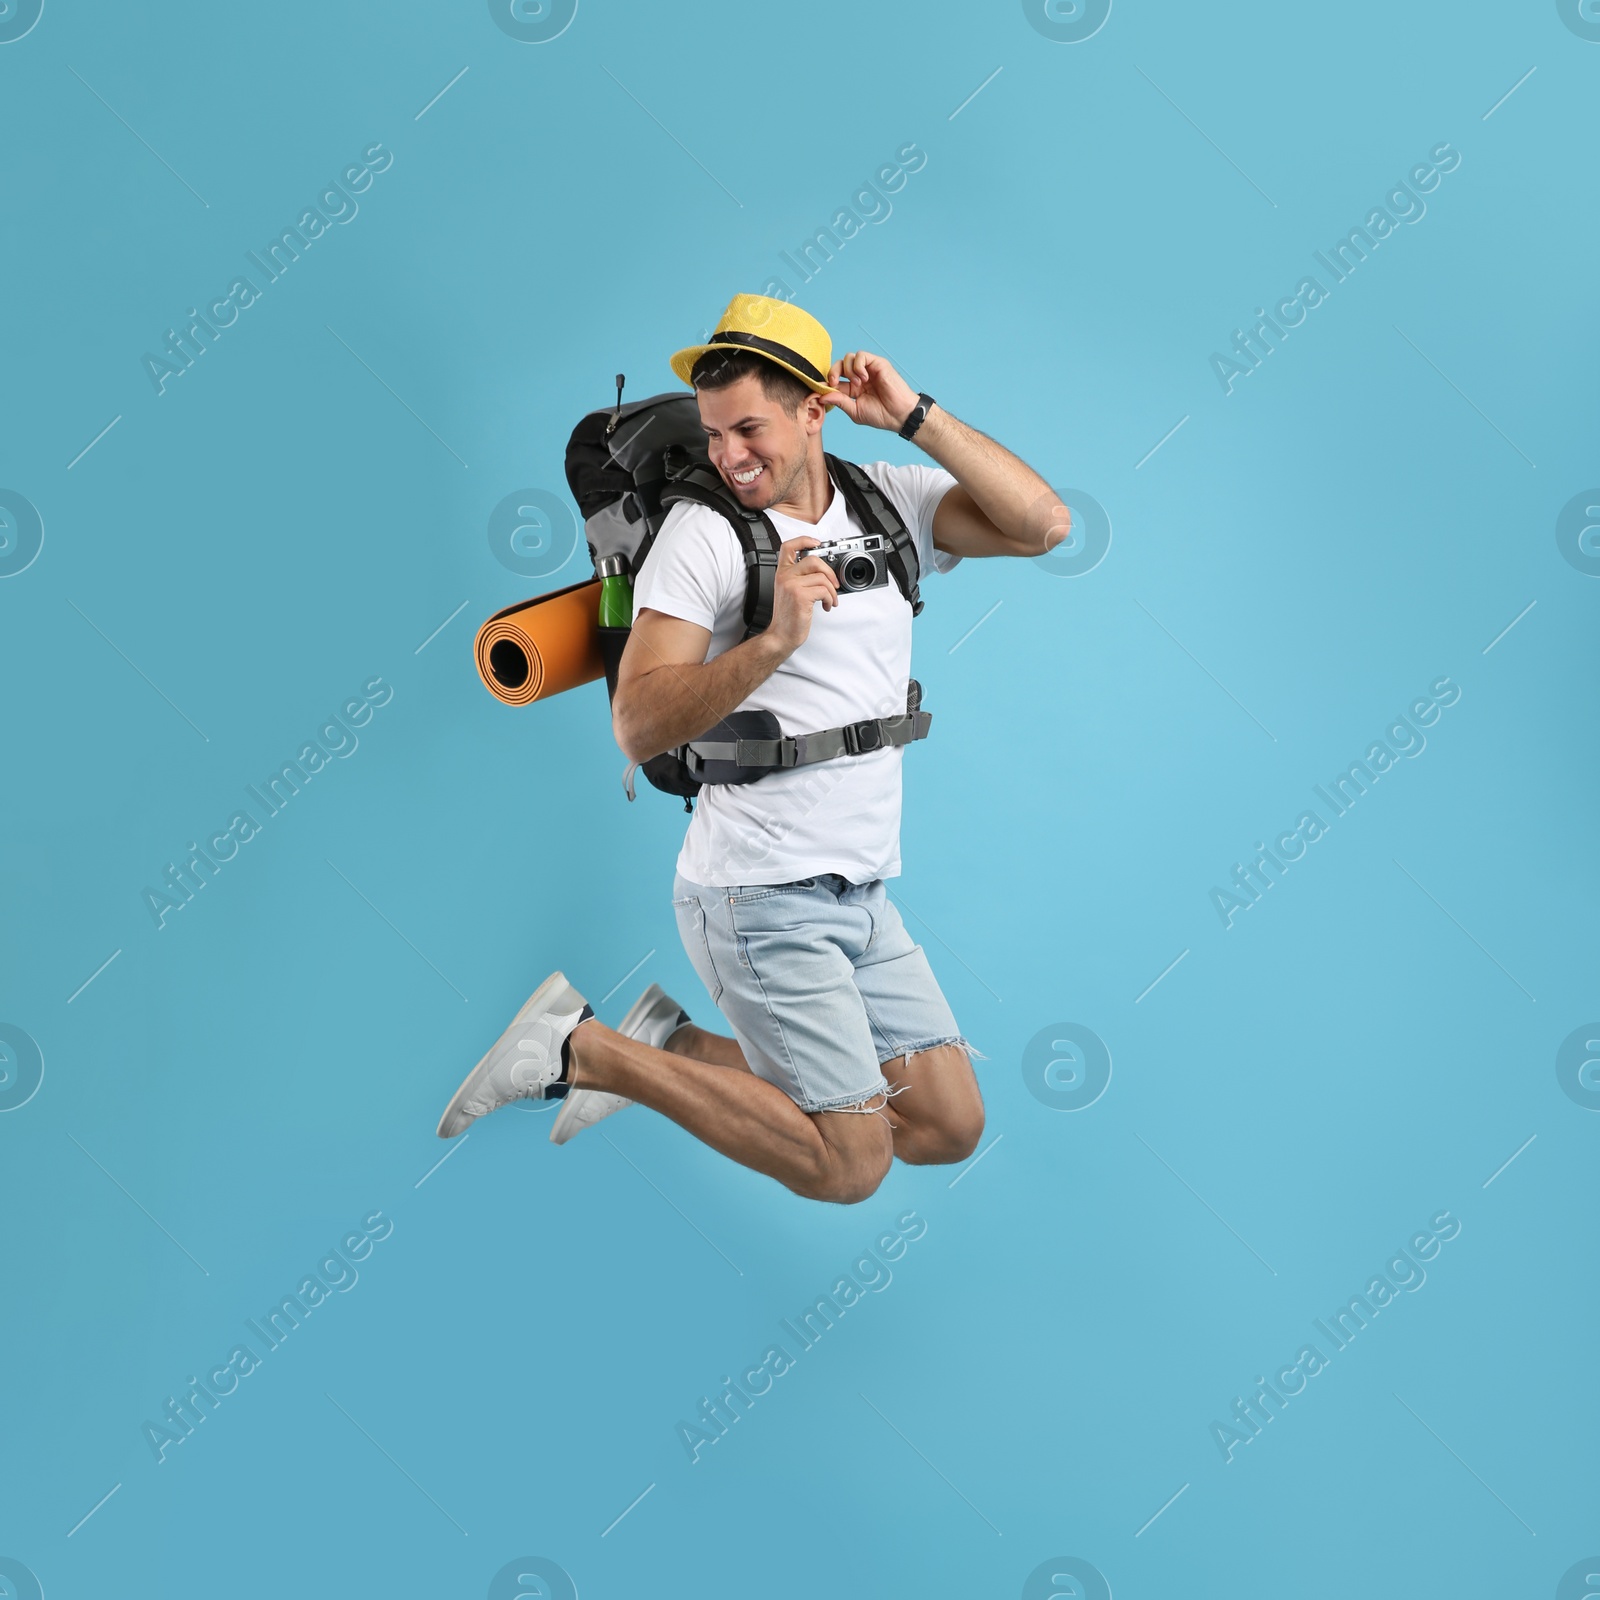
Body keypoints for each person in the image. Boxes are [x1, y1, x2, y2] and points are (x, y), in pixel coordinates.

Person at [436, 294, 1069, 1204]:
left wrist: (914, 415)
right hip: (757, 893)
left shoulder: (888, 501)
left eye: (750, 428)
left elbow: (1045, 524)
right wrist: (770, 643)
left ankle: (671, 1044)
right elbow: (640, 721)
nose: (730, 455)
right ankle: (580, 1047)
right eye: (714, 432)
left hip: (859, 889)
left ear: (815, 410)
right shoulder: (706, 536)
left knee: (944, 1125)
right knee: (852, 1164)